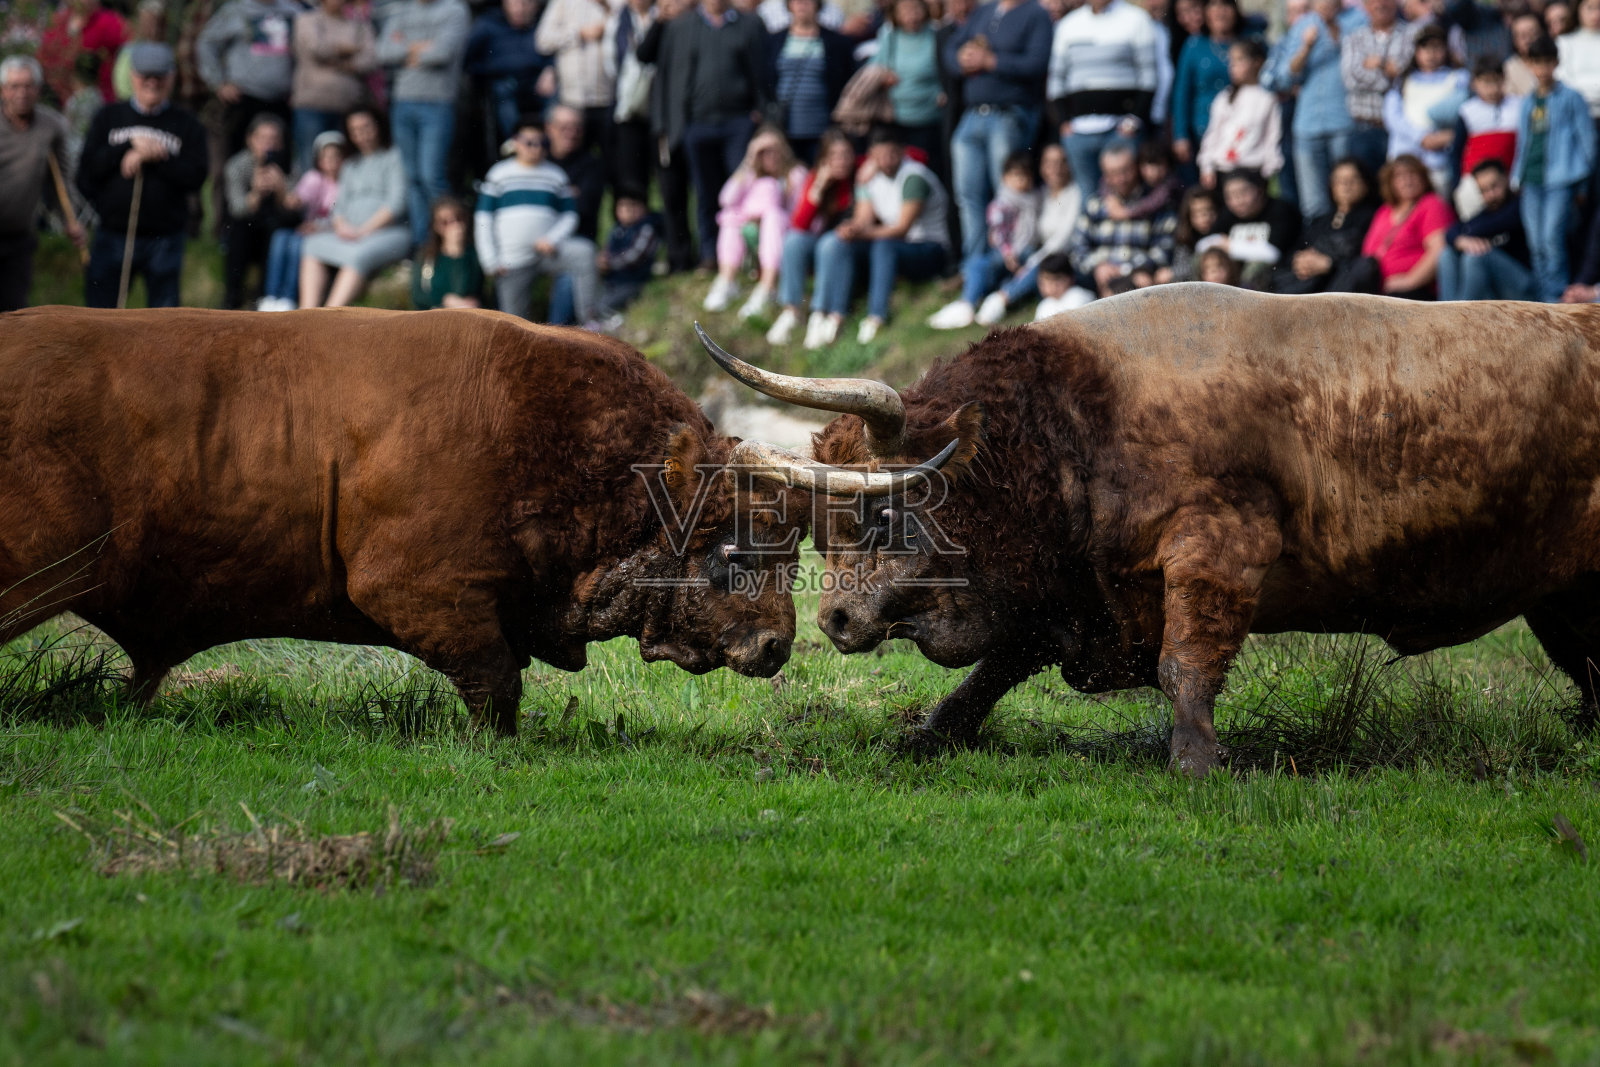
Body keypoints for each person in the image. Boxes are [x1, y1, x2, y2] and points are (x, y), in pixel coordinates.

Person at [640, 0, 774, 272]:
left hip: (739, 122)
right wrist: (666, 122)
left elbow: (764, 72)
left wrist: (762, 114)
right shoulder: (680, 26)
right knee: (705, 193)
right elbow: (662, 74)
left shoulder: (749, 23)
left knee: (741, 191)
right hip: (696, 124)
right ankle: (710, 254)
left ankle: (747, 256)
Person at [76, 43, 208, 309]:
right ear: (133, 76)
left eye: (160, 76)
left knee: (164, 322)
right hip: (112, 235)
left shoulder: (187, 123)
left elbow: (196, 177)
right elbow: (87, 174)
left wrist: (155, 157)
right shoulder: (108, 117)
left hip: (165, 239)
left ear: (171, 77)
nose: (152, 82)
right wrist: (126, 146)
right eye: (145, 75)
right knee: (100, 317)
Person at [811, 125, 949, 344]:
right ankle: (836, 314)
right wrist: (852, 229)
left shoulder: (914, 177)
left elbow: (901, 228)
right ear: (872, 155)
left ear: (902, 151)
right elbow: (863, 219)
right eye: (880, 155)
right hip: (896, 247)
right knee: (843, 244)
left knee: (883, 245)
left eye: (892, 154)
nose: (886, 160)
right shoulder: (869, 178)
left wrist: (862, 232)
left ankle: (876, 317)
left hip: (929, 248)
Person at [944, 0, 1052, 261]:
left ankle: (1004, 263)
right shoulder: (984, 10)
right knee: (967, 194)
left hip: (1009, 113)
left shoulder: (1036, 13)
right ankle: (975, 265)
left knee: (1007, 195)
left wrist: (992, 61)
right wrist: (961, 60)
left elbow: (1038, 64)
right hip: (972, 115)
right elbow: (950, 48)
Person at [474, 117, 600, 323]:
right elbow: (483, 218)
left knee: (584, 253)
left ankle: (591, 320)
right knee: (513, 324)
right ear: (515, 143)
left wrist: (553, 238)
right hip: (511, 260)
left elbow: (570, 214)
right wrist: (490, 259)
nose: (536, 148)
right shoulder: (499, 174)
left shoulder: (556, 175)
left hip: (549, 252)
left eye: (542, 143)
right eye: (529, 142)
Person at [377, 0, 472, 248]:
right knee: (411, 177)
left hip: (437, 102)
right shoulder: (400, 9)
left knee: (432, 176)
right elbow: (384, 51)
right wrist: (421, 49)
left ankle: (449, 242)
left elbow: (442, 53)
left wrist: (405, 48)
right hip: (402, 102)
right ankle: (422, 246)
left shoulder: (454, 9)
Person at [1513, 34, 1597, 302]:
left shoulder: (1571, 97)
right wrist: (1517, 176)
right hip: (1531, 179)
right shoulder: (1527, 101)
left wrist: (1582, 184)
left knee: (1552, 241)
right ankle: (1542, 302)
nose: (1542, 69)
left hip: (1561, 179)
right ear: (1529, 64)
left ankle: (1556, 303)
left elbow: (1588, 143)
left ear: (1556, 63)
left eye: (1547, 62)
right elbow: (1523, 142)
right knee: (1535, 244)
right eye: (1537, 63)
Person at [299, 107, 410, 308]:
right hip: (351, 233)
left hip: (388, 232)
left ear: (378, 126)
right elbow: (339, 207)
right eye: (355, 129)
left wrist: (363, 231)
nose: (362, 134)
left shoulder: (394, 156)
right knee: (311, 246)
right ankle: (307, 314)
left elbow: (396, 204)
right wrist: (342, 227)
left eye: (366, 126)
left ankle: (329, 316)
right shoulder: (350, 164)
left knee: (357, 255)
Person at [1046, 0, 1159, 198]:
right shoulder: (1069, 24)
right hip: (1078, 132)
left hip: (1120, 130)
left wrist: (1134, 120)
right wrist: (1063, 122)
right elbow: (1056, 79)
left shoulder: (1136, 19)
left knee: (1126, 196)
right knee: (1087, 198)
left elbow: (1149, 76)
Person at [964, 140, 1080, 324]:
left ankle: (1000, 299)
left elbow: (1061, 240)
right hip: (1031, 252)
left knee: (1035, 268)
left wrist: (1033, 259)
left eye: (1061, 162)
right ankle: (967, 302)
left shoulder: (1074, 194)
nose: (1055, 168)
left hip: (1057, 257)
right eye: (1049, 163)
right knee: (980, 263)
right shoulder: (1041, 194)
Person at [0, 56, 82, 313]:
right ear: (3, 90)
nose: (21, 93)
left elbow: (61, 181)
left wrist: (71, 220)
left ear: (38, 89)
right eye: (14, 86)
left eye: (28, 86)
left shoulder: (51, 126)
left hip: (19, 237)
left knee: (13, 315)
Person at [1269, 0, 1358, 220]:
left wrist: (1334, 30)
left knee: (1348, 197)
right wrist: (1306, 48)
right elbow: (1284, 77)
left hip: (1344, 122)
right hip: (1307, 124)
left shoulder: (1358, 19)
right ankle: (1316, 247)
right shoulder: (1303, 25)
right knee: (1313, 203)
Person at [929, 149, 1039, 328]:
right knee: (976, 264)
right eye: (1016, 176)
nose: (1021, 181)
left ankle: (990, 301)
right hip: (1006, 253)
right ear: (1004, 178)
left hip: (1028, 252)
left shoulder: (1035, 198)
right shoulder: (1001, 203)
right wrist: (1008, 253)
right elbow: (999, 233)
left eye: (1025, 176)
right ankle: (967, 303)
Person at [767, 128, 857, 344]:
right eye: (834, 156)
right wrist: (818, 187)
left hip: (850, 243)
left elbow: (912, 153)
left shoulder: (861, 170)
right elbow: (799, 224)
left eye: (845, 154)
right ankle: (792, 310)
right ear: (825, 159)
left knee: (828, 242)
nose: (841, 161)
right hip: (825, 244)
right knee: (793, 240)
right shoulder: (817, 177)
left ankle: (820, 312)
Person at [704, 127, 806, 318]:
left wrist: (768, 212)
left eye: (775, 149)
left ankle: (767, 287)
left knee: (773, 216)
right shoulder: (750, 174)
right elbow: (725, 199)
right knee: (730, 216)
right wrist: (748, 160)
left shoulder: (796, 174)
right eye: (763, 151)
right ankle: (727, 280)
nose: (771, 155)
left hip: (783, 231)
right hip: (750, 232)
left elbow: (801, 214)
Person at [1067, 142, 1177, 296]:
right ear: (1105, 176)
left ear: (1136, 168)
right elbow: (1078, 248)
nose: (1121, 179)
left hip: (1140, 277)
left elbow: (1165, 247)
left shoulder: (1155, 204)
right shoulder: (1095, 206)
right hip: (1100, 278)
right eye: (1113, 173)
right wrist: (1097, 266)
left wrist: (1132, 269)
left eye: (1125, 171)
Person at [196, 0, 301, 157]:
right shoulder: (236, 10)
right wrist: (218, 82)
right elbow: (206, 43)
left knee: (280, 159)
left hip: (283, 100)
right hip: (243, 97)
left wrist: (301, 88)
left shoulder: (294, 11)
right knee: (236, 156)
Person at [259, 129, 345, 311]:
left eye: (335, 157)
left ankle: (289, 297)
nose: (330, 162)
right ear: (319, 160)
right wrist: (283, 189)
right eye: (325, 157)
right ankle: (271, 295)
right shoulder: (314, 178)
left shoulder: (346, 183)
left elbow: (342, 216)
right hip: (306, 228)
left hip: (325, 231)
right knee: (281, 238)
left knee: (298, 244)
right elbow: (296, 200)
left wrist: (318, 226)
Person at [291, 0, 377, 174]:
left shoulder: (359, 25)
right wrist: (351, 50)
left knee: (347, 165)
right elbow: (315, 48)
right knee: (311, 163)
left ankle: (340, 202)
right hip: (311, 104)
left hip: (348, 106)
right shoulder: (306, 20)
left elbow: (371, 59)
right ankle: (312, 201)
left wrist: (340, 62)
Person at [535, 0, 619, 180]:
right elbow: (543, 41)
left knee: (614, 166)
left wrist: (608, 9)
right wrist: (578, 33)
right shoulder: (563, 3)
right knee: (572, 167)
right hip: (572, 102)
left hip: (610, 99)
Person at [221, 113, 296, 310]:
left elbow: (296, 209)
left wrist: (281, 188)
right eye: (262, 139)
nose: (268, 145)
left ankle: (264, 295)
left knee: (277, 234)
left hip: (276, 227)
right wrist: (255, 193)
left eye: (274, 140)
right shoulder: (237, 165)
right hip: (245, 226)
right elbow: (237, 209)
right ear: (250, 140)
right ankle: (232, 297)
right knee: (238, 232)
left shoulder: (290, 165)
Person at [767, 0, 856, 165]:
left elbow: (847, 83)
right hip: (785, 128)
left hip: (823, 128)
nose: (802, 5)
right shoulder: (773, 41)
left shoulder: (837, 42)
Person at [1273, 156, 1380, 292]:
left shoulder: (1374, 217)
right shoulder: (1321, 220)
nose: (1346, 186)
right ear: (1331, 186)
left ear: (1366, 184)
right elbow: (1296, 249)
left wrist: (1329, 264)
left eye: (1354, 179)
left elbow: (1365, 261)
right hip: (1310, 285)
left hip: (1343, 288)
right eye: (1340, 181)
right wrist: (1301, 261)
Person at [1383, 24, 1469, 190]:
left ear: (1446, 50)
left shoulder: (1459, 79)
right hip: (1405, 158)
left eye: (1437, 47)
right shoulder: (1402, 82)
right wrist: (1422, 138)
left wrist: (1448, 136)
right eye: (1425, 47)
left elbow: (1465, 113)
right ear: (1416, 52)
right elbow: (1393, 118)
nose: (1431, 53)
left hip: (1439, 161)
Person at [1437, 158, 1534, 299]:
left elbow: (1497, 223)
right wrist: (1461, 241)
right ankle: (1445, 314)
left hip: (1526, 286)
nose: (1490, 195)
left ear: (1506, 179)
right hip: (1497, 288)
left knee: (1476, 256)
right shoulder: (1486, 213)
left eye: (1494, 186)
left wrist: (1465, 237)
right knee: (1447, 254)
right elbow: (1450, 233)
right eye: (1483, 191)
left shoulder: (1521, 204)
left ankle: (1463, 316)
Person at [1361, 152, 1455, 296]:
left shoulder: (1431, 204)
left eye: (1413, 174)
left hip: (1414, 292)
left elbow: (1439, 250)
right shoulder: (1384, 211)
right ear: (1390, 183)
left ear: (1423, 178)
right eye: (1399, 176)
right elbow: (1368, 254)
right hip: (1379, 290)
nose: (1407, 180)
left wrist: (1411, 280)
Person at [1341, 0, 1418, 174]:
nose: (1380, 5)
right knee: (1365, 187)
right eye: (1374, 1)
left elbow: (1406, 76)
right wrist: (1388, 73)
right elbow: (1350, 79)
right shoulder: (1354, 38)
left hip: (1401, 130)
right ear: (1366, 7)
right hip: (1364, 128)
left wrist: (1378, 64)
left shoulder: (1411, 34)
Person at [469, 0, 555, 152]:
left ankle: (548, 144)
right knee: (503, 91)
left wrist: (550, 69)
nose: (520, 9)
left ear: (536, 5)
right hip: (502, 81)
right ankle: (518, 145)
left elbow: (554, 50)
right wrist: (491, 70)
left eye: (526, 3)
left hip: (536, 81)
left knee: (555, 95)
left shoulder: (545, 22)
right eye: (515, 3)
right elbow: (469, 59)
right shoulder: (488, 24)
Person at [1172, 0, 1244, 173]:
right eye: (1214, 7)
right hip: (1204, 130)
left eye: (1225, 7)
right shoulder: (1195, 45)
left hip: (1240, 129)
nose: (1220, 13)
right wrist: (1180, 135)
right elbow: (1182, 93)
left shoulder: (1247, 43)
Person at [1198, 37, 1281, 186]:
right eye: (1231, 62)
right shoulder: (1224, 97)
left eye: (1239, 60)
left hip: (1252, 172)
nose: (1233, 67)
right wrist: (1207, 166)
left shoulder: (1268, 98)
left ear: (1257, 62)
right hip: (1223, 170)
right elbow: (1212, 135)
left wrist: (1270, 169)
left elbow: (1272, 138)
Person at [1449, 56, 1522, 218]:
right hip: (1474, 181)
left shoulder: (1518, 106)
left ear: (1504, 80)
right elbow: (1456, 150)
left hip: (1510, 178)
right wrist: (1456, 184)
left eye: (1496, 81)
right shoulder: (1467, 111)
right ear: (1475, 84)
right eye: (1486, 83)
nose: (1492, 88)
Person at [872, 0, 943, 167]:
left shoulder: (936, 34)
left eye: (916, 8)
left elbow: (945, 70)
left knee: (928, 166)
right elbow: (875, 66)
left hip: (929, 116)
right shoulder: (889, 35)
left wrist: (942, 92)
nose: (912, 15)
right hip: (896, 117)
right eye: (905, 9)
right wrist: (884, 75)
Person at [1212, 168, 1299, 288]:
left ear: (1260, 189)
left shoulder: (1280, 209)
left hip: (1278, 279)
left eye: (1243, 192)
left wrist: (1230, 246)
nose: (1238, 200)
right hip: (1233, 279)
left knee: (1257, 263)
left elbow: (1272, 253)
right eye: (1230, 195)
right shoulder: (1229, 213)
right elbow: (1204, 243)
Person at [39, 0, 128, 106]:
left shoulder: (110, 22)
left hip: (97, 100)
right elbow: (45, 55)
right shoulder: (58, 20)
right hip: (58, 98)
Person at [597, 187, 663, 322]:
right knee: (595, 302)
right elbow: (607, 250)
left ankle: (617, 326)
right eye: (623, 206)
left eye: (633, 206)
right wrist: (602, 260)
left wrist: (610, 262)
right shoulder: (617, 230)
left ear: (643, 208)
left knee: (605, 306)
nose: (627, 210)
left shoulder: (646, 228)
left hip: (634, 281)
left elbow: (635, 256)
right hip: (613, 281)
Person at [412, 195, 485, 309]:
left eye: (459, 219)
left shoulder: (474, 255)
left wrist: (458, 252)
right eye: (446, 222)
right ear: (436, 226)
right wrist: (445, 300)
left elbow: (472, 290)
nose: (455, 225)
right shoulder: (426, 256)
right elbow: (418, 296)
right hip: (435, 319)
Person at [1163, 184, 1226, 281]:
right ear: (1189, 216)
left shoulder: (1225, 237)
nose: (1205, 218)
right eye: (1197, 213)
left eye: (1209, 211)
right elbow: (1181, 268)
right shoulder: (1185, 238)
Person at [112, 1, 169, 102]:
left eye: (156, 23)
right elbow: (121, 84)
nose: (153, 28)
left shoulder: (165, 50)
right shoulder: (129, 49)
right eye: (147, 22)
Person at [1032, 250, 1090, 318]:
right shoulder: (1043, 306)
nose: (1052, 286)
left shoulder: (1078, 296)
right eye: (1047, 281)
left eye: (1056, 279)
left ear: (1071, 278)